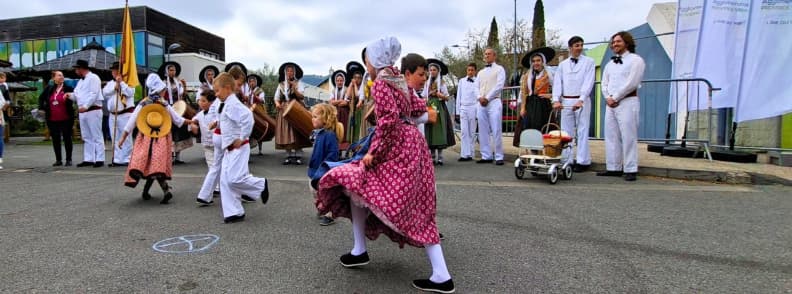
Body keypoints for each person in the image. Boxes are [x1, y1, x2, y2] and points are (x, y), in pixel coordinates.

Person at [315, 37, 454, 293]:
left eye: (367, 59)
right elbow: (414, 107)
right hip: (413, 145)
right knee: (405, 202)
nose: (365, 64)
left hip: (398, 146)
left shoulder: (380, 82)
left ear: (375, 60)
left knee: (354, 181)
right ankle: (362, 250)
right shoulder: (398, 78)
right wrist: (426, 113)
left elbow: (388, 121)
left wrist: (373, 153)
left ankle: (439, 274)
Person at [117, 73, 193, 204]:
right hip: (161, 137)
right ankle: (152, 191)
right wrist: (192, 121)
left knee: (149, 165)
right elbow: (177, 120)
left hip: (145, 137)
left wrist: (123, 137)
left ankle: (160, 191)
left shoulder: (143, 103)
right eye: (164, 90)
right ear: (160, 90)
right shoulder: (164, 104)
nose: (164, 92)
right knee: (155, 165)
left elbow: (132, 121)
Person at [214, 72, 269, 223]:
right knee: (225, 181)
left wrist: (243, 137)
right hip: (228, 148)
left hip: (238, 147)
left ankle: (260, 184)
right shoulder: (225, 103)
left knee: (234, 179)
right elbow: (227, 122)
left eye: (217, 91)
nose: (216, 94)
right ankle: (234, 212)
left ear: (226, 88)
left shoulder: (233, 104)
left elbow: (247, 118)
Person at [598, 31, 646, 182]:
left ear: (626, 42)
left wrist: (616, 97)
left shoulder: (636, 60)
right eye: (613, 42)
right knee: (611, 135)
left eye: (618, 41)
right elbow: (604, 83)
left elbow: (632, 83)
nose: (615, 44)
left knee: (628, 136)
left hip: (627, 102)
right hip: (611, 104)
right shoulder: (610, 64)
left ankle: (631, 168)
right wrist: (608, 97)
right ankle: (613, 167)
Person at [552, 36, 596, 172]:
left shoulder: (589, 62)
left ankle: (583, 160)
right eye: (577, 45)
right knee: (566, 132)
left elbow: (589, 81)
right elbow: (558, 83)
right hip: (566, 100)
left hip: (581, 100)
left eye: (581, 45)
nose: (580, 47)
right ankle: (567, 159)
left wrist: (582, 98)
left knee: (582, 130)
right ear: (570, 47)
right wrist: (556, 99)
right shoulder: (563, 65)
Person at [513, 47, 555, 147]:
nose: (536, 63)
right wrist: (523, 108)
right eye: (534, 61)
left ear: (542, 61)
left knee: (543, 128)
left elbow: (558, 89)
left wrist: (550, 95)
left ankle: (544, 153)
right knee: (529, 128)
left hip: (544, 105)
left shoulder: (549, 74)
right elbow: (524, 92)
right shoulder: (527, 76)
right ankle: (532, 152)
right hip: (530, 105)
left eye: (538, 61)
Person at [67, 59, 105, 168]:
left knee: (96, 135)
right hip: (83, 111)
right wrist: (70, 95)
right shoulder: (80, 82)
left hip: (93, 109)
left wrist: (86, 106)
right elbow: (77, 95)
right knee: (86, 136)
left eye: (76, 69)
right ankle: (89, 158)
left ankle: (99, 158)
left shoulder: (94, 78)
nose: (75, 71)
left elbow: (94, 94)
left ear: (81, 69)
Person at [308, 103, 340, 226]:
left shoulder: (330, 135)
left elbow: (333, 153)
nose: (312, 119)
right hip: (314, 168)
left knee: (326, 193)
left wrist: (326, 168)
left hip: (323, 169)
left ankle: (330, 214)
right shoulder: (318, 132)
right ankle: (322, 208)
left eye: (315, 116)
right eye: (312, 116)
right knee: (314, 191)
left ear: (325, 119)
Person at [274, 62, 311, 165]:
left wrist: (294, 88)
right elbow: (276, 98)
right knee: (286, 131)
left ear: (294, 73)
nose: (290, 73)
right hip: (285, 109)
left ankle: (298, 155)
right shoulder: (281, 84)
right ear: (285, 73)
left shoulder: (299, 83)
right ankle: (289, 155)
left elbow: (301, 97)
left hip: (297, 107)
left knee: (297, 131)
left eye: (291, 71)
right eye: (288, 71)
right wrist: (277, 104)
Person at [37, 71, 76, 167]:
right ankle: (58, 160)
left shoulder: (68, 88)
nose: (61, 77)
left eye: (62, 75)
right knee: (55, 139)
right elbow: (41, 98)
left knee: (67, 138)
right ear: (53, 78)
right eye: (59, 75)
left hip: (66, 118)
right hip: (52, 119)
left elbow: (76, 97)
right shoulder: (49, 88)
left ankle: (68, 159)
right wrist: (41, 108)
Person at [476, 48, 506, 165]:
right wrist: (479, 97)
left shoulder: (499, 69)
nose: (487, 56)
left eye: (489, 54)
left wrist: (487, 97)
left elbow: (499, 85)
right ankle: (486, 155)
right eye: (486, 54)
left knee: (496, 128)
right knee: (483, 130)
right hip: (481, 102)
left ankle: (499, 156)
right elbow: (475, 87)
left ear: (494, 56)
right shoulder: (480, 72)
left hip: (494, 101)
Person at [423, 59, 455, 165]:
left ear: (438, 71)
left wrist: (439, 94)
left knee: (439, 130)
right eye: (430, 70)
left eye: (434, 70)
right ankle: (432, 155)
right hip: (430, 106)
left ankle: (440, 155)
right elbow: (423, 96)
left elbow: (447, 98)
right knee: (430, 129)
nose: (432, 72)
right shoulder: (427, 83)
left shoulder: (442, 82)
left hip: (439, 107)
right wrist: (427, 96)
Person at [104, 62, 136, 167]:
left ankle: (127, 158)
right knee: (115, 137)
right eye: (113, 70)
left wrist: (121, 83)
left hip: (125, 113)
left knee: (125, 136)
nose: (114, 72)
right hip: (113, 114)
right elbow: (105, 92)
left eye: (116, 70)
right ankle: (117, 158)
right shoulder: (110, 83)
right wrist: (115, 86)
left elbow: (130, 93)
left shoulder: (129, 83)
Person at [159, 61, 192, 164]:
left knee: (179, 132)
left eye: (174, 70)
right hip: (167, 109)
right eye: (170, 70)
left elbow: (183, 96)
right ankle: (169, 156)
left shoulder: (179, 83)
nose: (172, 72)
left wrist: (185, 87)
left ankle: (177, 156)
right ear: (166, 71)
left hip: (178, 110)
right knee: (169, 132)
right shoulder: (162, 83)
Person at [193, 89, 221, 205]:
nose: (200, 102)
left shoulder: (216, 112)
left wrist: (215, 123)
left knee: (219, 166)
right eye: (200, 100)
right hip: (207, 144)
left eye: (203, 101)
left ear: (211, 102)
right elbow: (194, 119)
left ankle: (219, 187)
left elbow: (219, 120)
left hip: (217, 144)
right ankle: (216, 188)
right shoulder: (200, 114)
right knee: (211, 165)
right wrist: (192, 124)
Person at [455, 63, 478, 162]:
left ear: (475, 71)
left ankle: (471, 154)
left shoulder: (478, 81)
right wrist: (457, 111)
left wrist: (478, 111)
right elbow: (458, 96)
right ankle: (464, 154)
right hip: (463, 107)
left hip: (474, 107)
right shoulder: (461, 81)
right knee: (464, 132)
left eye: (472, 70)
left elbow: (478, 96)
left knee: (472, 132)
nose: (470, 72)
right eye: (468, 70)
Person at [346, 61, 366, 143]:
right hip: (352, 110)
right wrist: (351, 84)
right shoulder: (352, 85)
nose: (357, 79)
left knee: (358, 128)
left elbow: (358, 95)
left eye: (359, 78)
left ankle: (357, 144)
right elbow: (347, 96)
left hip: (360, 111)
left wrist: (354, 86)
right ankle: (351, 145)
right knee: (351, 127)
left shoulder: (363, 87)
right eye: (355, 77)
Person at [328, 70, 349, 144]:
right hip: (335, 113)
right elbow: (331, 102)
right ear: (335, 81)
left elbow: (345, 103)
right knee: (335, 130)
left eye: (341, 80)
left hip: (344, 113)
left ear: (344, 81)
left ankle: (343, 146)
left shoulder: (347, 89)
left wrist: (336, 102)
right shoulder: (333, 90)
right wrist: (341, 100)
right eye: (338, 81)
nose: (339, 82)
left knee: (344, 129)